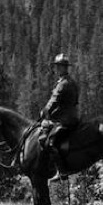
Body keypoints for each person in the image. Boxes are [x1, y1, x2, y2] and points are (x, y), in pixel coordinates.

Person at [39, 53, 79, 182]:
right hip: (73, 117)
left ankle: (61, 171)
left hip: (65, 120)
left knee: (51, 142)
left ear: (62, 67)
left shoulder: (62, 84)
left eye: (57, 66)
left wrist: (44, 112)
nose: (55, 69)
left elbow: (53, 101)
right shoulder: (72, 82)